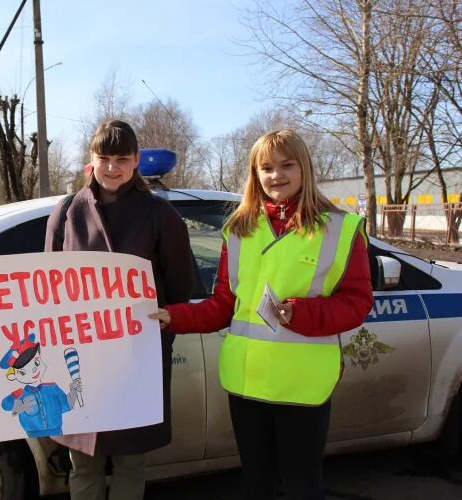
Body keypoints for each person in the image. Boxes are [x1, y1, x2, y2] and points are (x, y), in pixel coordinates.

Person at [151, 129, 373, 500]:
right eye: (265, 167)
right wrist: (172, 317)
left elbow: (356, 302)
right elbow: (225, 304)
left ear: (305, 168)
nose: (276, 175)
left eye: (287, 165)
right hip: (247, 380)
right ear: (254, 174)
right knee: (256, 483)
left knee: (303, 487)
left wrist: (298, 313)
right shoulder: (238, 230)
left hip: (303, 382)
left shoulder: (340, 228)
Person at [45, 119, 196, 500]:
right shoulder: (66, 212)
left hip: (137, 359)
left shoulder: (159, 215)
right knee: (84, 461)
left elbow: (180, 287)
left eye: (122, 159)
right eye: (104, 157)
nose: (112, 167)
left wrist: (157, 334)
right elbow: (46, 287)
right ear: (91, 159)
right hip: (79, 358)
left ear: (136, 161)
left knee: (131, 461)